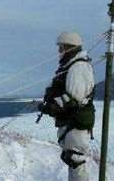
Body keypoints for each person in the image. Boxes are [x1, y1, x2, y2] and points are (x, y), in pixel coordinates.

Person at [37, 32, 95, 181]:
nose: (59, 52)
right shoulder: (70, 66)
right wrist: (49, 103)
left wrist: (53, 106)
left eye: (61, 48)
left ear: (69, 47)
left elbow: (75, 97)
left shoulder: (79, 67)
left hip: (76, 123)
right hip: (70, 122)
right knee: (72, 160)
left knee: (75, 160)